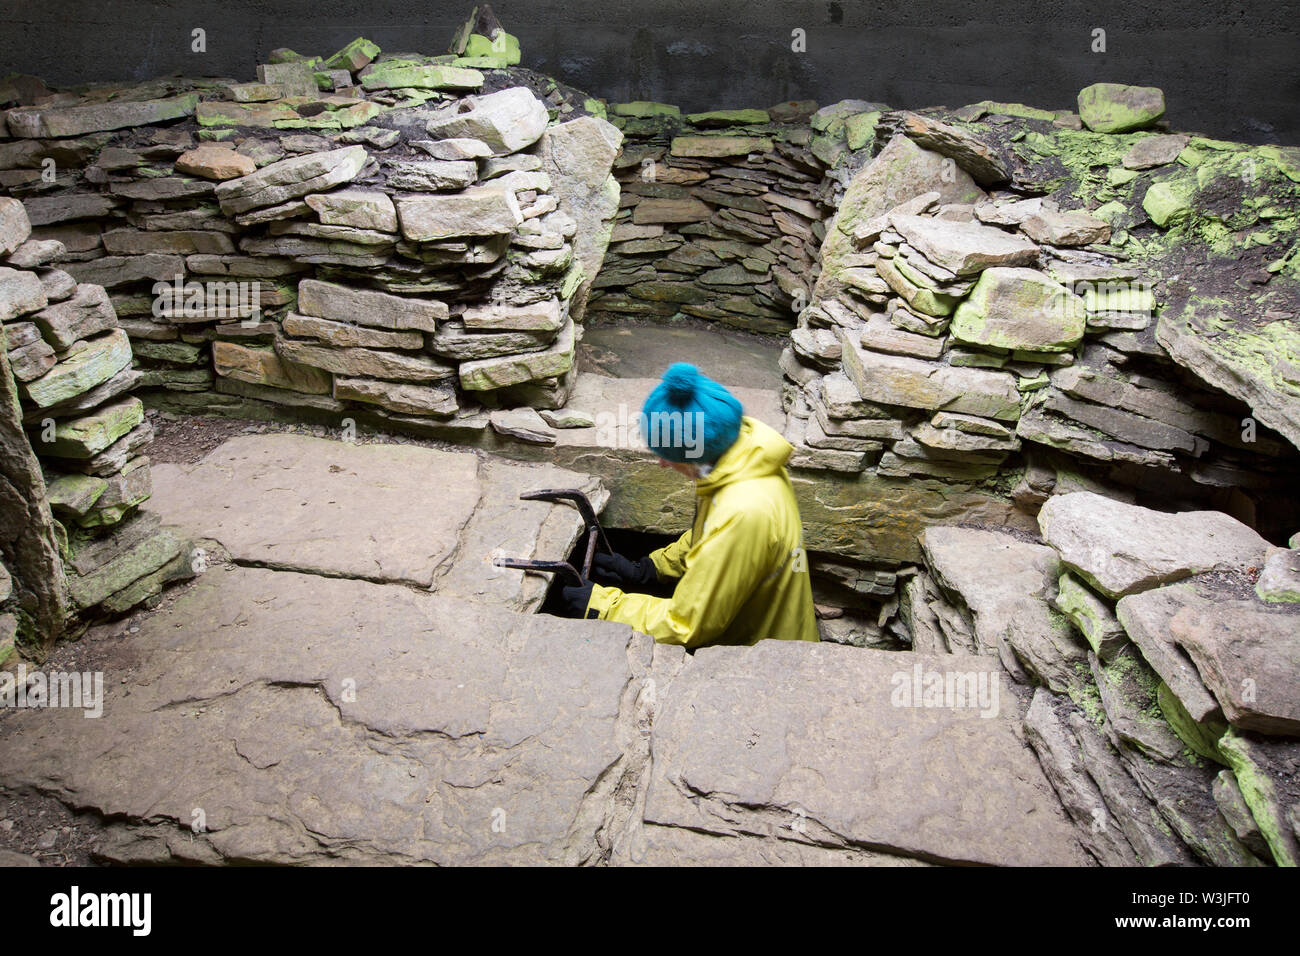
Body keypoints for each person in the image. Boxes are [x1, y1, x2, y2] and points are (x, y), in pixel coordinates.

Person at [560, 362, 819, 649]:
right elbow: (709, 540)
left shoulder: (743, 511)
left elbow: (689, 624)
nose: (661, 463)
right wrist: (649, 568)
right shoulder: (741, 458)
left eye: (667, 454)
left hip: (766, 657)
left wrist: (604, 607)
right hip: (757, 626)